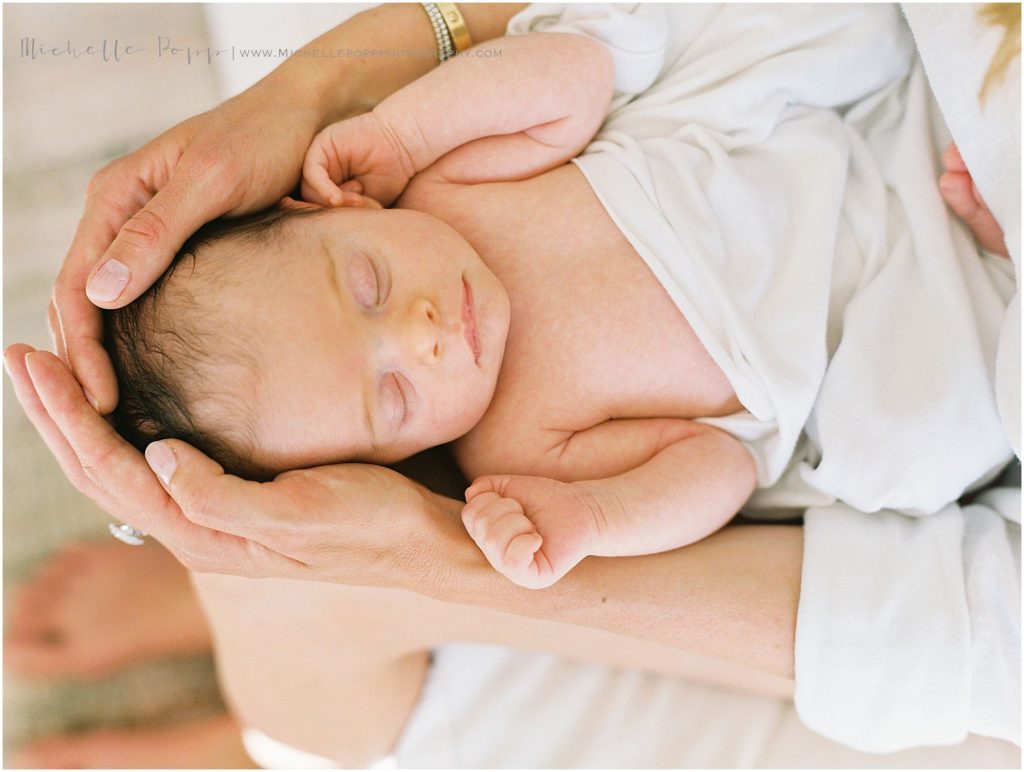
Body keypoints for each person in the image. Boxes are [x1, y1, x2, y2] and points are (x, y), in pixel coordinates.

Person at [7, 2, 1019, 763]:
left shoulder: (446, 182)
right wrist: (586, 519)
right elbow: (712, 461)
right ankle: (252, 586)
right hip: (886, 313)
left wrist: (401, 130)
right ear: (398, 460)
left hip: (841, 170)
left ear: (335, 201)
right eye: (392, 398)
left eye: (367, 282)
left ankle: (260, 672)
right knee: (913, 425)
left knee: (921, 413)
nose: (425, 330)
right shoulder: (520, 451)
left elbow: (573, 70)